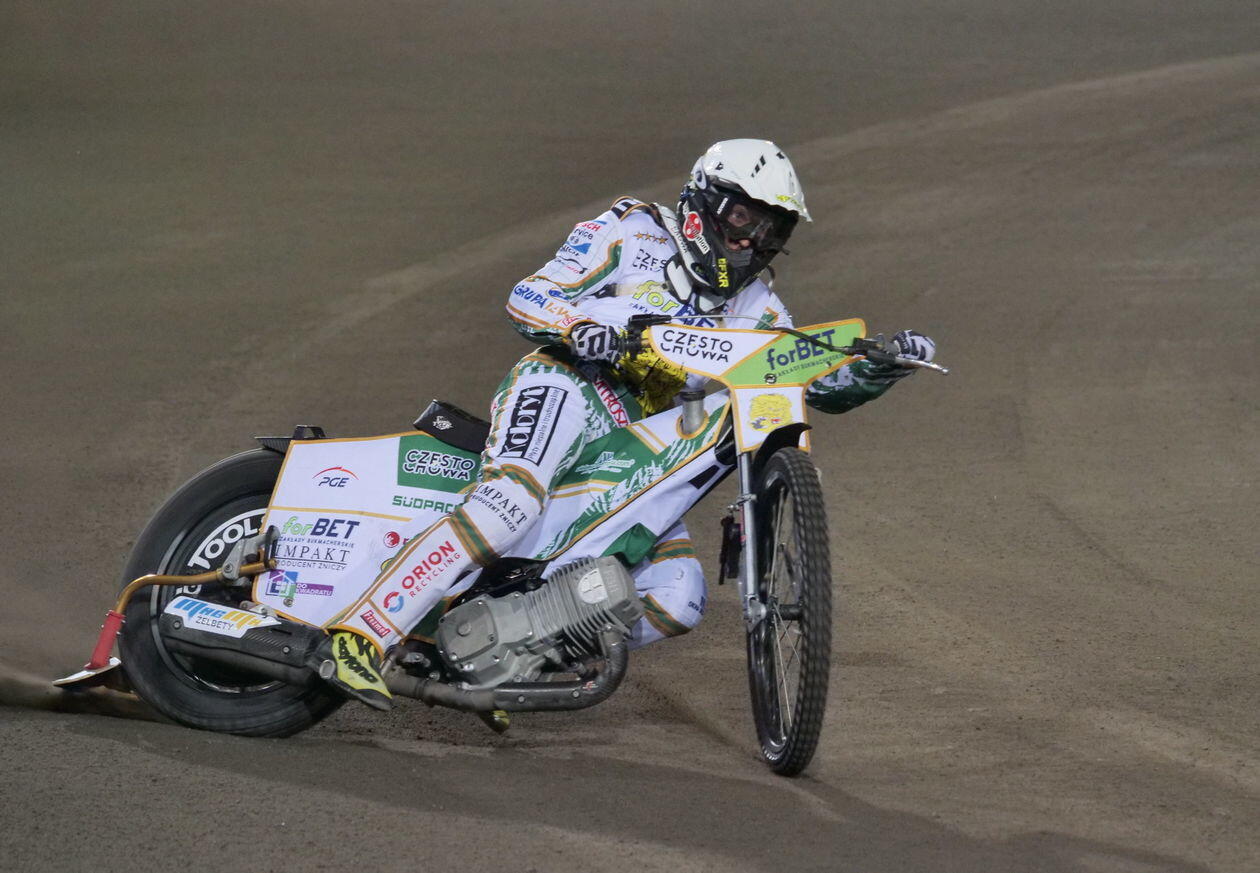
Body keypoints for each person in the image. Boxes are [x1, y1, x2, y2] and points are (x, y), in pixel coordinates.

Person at [318, 139, 937, 709]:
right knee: (510, 503)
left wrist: (881, 366)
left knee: (678, 596)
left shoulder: (758, 308)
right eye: (744, 218)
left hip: (638, 446)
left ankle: (507, 656)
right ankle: (360, 634)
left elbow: (814, 385)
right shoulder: (632, 230)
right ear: (704, 204)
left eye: (771, 229)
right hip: (567, 387)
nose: (752, 240)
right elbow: (528, 295)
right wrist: (576, 327)